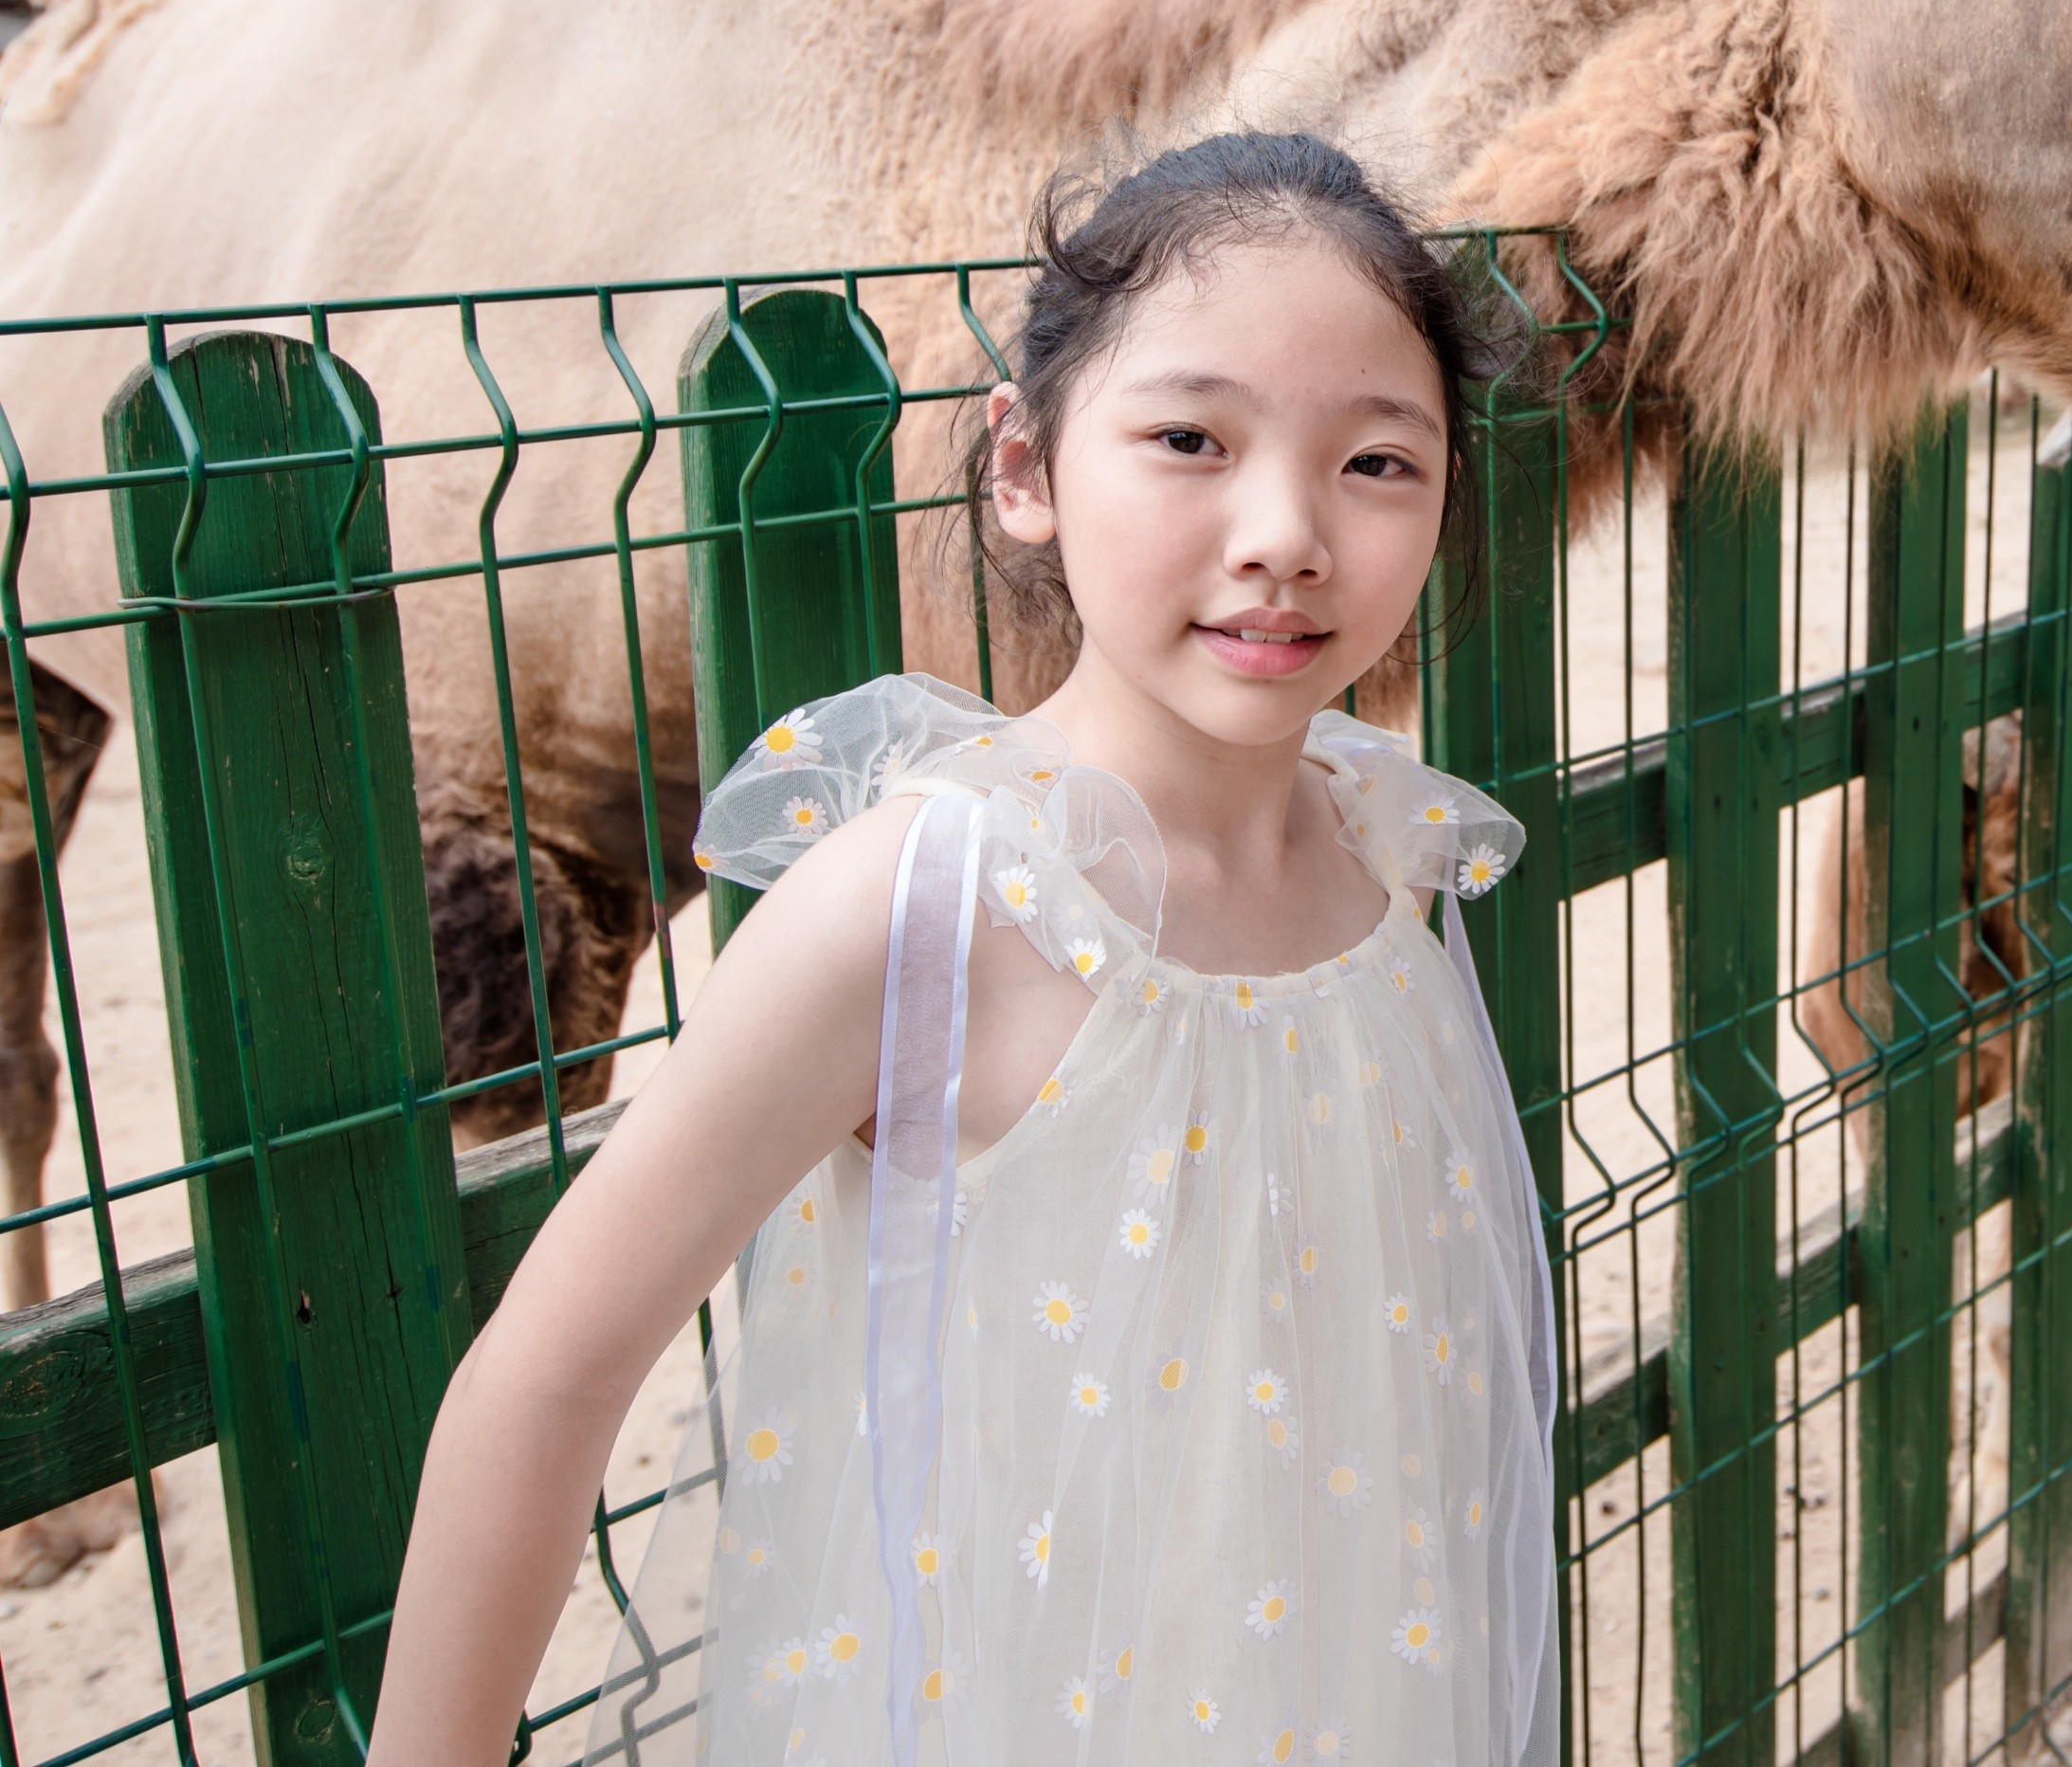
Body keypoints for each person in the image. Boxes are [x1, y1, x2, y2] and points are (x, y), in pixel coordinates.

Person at [370, 133, 1556, 1767]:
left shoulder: (1382, 856)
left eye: (1375, 460)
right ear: (1023, 468)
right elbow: (545, 1382)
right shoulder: (922, 906)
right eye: (1190, 438)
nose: (1285, 532)